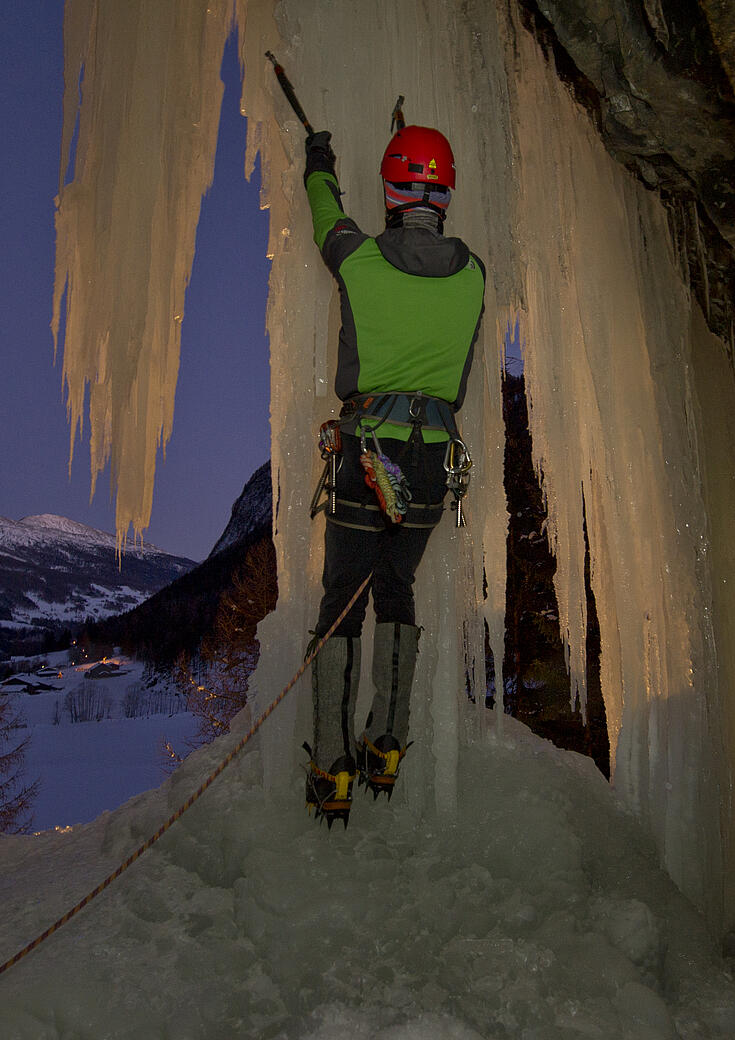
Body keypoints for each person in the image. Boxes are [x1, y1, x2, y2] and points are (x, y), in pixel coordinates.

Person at [302, 123, 486, 825]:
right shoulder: (473, 274)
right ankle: (386, 748)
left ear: (389, 190)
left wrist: (321, 159)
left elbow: (326, 213)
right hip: (433, 460)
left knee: (342, 599)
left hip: (367, 453)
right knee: (396, 587)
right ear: (445, 194)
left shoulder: (359, 259)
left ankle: (331, 766)